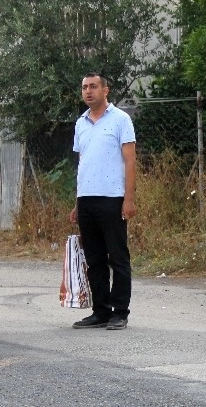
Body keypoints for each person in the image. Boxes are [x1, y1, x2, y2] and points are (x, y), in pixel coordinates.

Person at [70, 72, 136, 330]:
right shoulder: (81, 123)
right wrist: (77, 203)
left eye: (93, 87)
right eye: (85, 87)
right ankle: (101, 311)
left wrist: (128, 199)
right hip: (87, 199)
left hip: (112, 198)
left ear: (105, 90)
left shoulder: (120, 119)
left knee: (117, 257)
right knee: (94, 259)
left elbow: (130, 160)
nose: (88, 91)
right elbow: (82, 163)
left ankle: (120, 311)